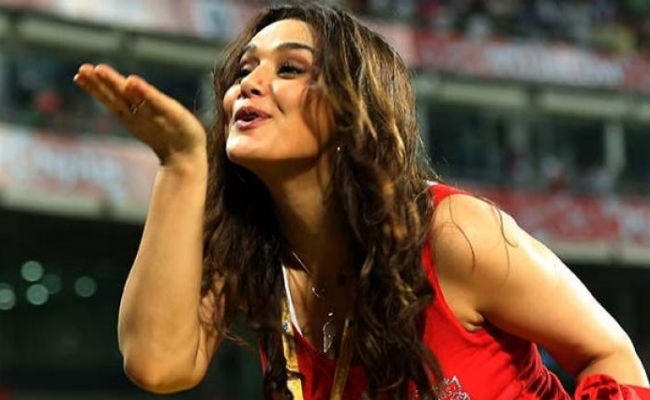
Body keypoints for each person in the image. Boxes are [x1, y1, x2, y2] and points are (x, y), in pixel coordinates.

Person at [73, 3, 649, 399]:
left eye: (290, 69)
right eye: (245, 69)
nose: (249, 83)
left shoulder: (450, 233)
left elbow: (612, 357)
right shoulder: (254, 252)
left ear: (352, 108)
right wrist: (179, 165)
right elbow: (158, 364)